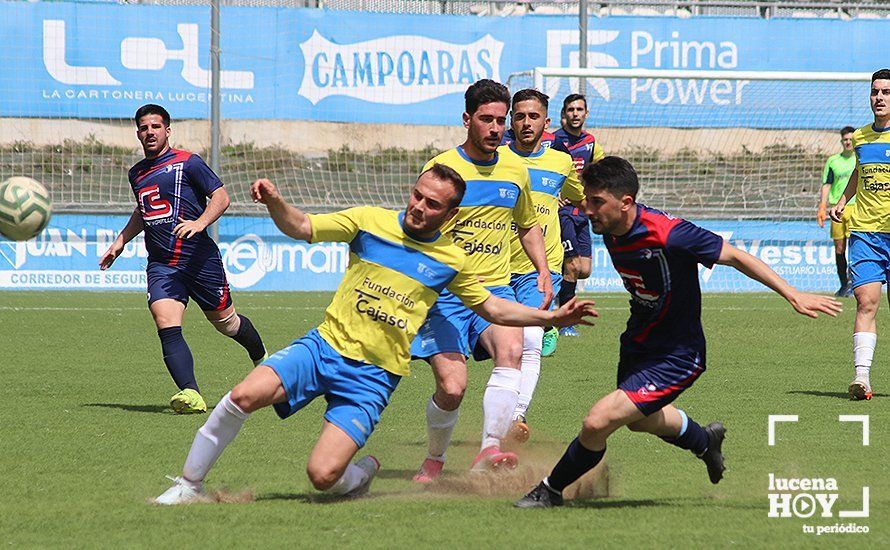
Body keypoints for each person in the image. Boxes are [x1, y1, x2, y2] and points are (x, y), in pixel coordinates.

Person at [152, 167, 596, 505]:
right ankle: (189, 485)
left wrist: (551, 317)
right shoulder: (369, 221)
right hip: (324, 347)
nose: (419, 206)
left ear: (451, 213)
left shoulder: (450, 259)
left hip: (374, 378)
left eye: (432, 204)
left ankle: (360, 473)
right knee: (243, 395)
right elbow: (303, 227)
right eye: (417, 195)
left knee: (323, 477)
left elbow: (493, 307)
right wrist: (275, 202)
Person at [516, 156, 841, 508]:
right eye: (587, 200)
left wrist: (792, 293)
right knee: (640, 422)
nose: (588, 210)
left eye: (597, 202)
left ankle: (550, 490)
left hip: (678, 353)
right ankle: (704, 440)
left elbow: (736, 256)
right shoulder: (610, 226)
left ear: (625, 203)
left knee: (598, 421)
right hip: (638, 340)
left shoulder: (670, 233)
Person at [410, 79, 553, 482]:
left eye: (500, 121)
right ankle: (434, 459)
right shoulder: (442, 169)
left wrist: (542, 270)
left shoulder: (515, 169)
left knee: (513, 350)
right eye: (486, 119)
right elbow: (417, 226)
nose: (495, 128)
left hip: (495, 290)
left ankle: (489, 447)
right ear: (467, 119)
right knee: (453, 389)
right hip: (445, 296)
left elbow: (528, 225)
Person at [99, 104, 266, 414]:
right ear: (138, 133)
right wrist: (120, 241)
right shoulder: (136, 173)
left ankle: (262, 360)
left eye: (155, 127)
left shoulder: (188, 162)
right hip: (162, 264)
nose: (150, 132)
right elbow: (143, 211)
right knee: (165, 321)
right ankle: (191, 393)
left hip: (199, 260)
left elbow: (221, 197)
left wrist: (200, 223)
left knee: (227, 324)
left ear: (167, 130)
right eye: (144, 128)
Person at [500, 89, 583, 443]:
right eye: (519, 116)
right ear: (511, 121)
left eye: (534, 116)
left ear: (547, 122)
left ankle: (516, 415)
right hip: (498, 267)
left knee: (530, 343)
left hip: (541, 269)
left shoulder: (560, 163)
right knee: (504, 351)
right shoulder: (497, 158)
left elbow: (581, 196)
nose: (526, 123)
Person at [829, 68, 890, 401]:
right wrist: (842, 199)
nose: (879, 97)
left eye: (886, 92)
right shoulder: (863, 138)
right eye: (875, 91)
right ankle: (861, 378)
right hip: (866, 231)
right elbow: (859, 173)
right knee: (865, 301)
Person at [552, 94, 605, 338]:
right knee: (572, 267)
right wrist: (554, 193)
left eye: (579, 109)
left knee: (584, 270)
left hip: (582, 211)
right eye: (571, 109)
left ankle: (554, 292)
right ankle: (565, 322)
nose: (575, 113)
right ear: (564, 113)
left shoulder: (591, 142)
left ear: (586, 113)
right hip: (562, 212)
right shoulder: (553, 140)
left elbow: (599, 172)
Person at [817, 126, 857, 297]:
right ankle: (844, 284)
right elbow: (827, 185)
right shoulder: (833, 161)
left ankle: (855, 283)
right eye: (845, 140)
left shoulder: (860, 158)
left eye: (850, 139)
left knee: (856, 247)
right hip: (837, 209)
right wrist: (822, 206)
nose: (848, 142)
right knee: (839, 248)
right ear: (842, 141)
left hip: (857, 207)